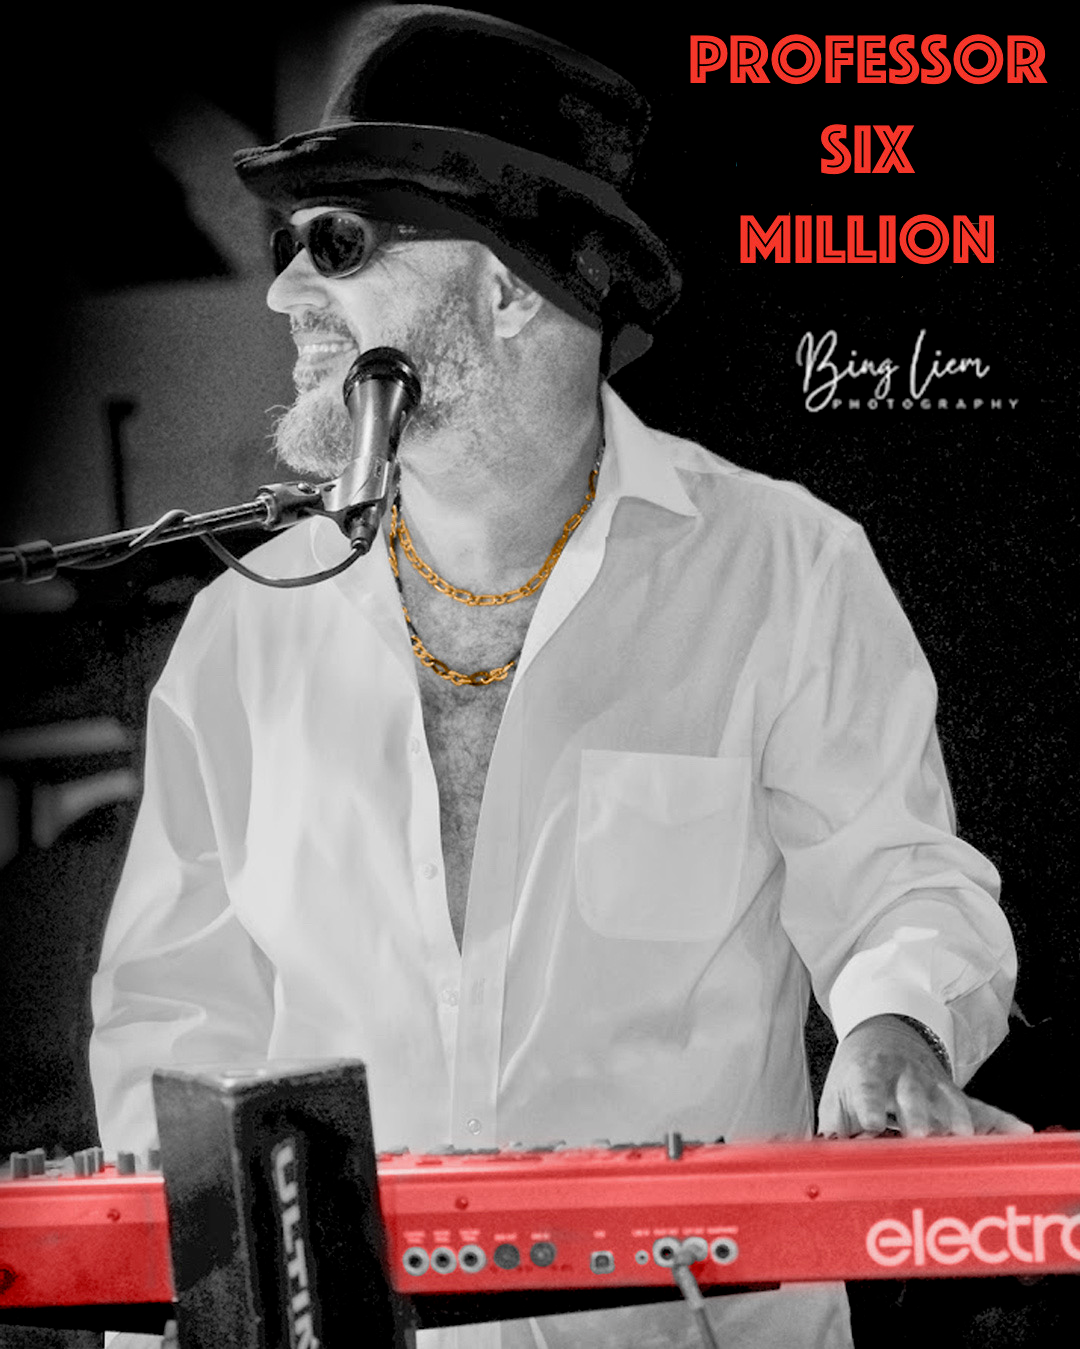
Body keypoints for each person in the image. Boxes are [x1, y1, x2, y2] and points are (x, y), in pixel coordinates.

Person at [90, 7, 1027, 1348]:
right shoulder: (246, 632)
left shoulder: (786, 569)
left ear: (508, 286)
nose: (286, 293)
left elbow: (900, 884)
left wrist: (898, 1030)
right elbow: (173, 1027)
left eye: (337, 244)